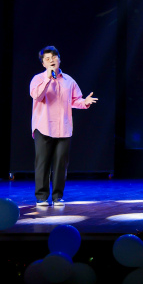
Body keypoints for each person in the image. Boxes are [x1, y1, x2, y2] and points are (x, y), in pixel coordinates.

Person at [30, 46, 98, 207]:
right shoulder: (38, 79)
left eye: (54, 57)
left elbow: (75, 100)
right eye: (47, 59)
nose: (51, 60)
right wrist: (48, 78)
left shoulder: (69, 81)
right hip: (43, 126)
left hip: (63, 128)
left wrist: (85, 102)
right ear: (43, 63)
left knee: (61, 164)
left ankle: (57, 196)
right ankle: (41, 197)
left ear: (59, 59)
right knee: (43, 163)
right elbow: (37, 95)